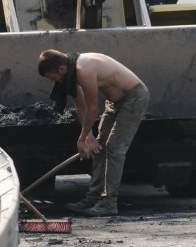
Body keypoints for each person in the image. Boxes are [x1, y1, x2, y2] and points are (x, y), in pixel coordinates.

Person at [38, 49, 150, 217]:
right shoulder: (72, 72)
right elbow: (81, 107)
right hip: (115, 102)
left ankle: (109, 203)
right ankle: (93, 197)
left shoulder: (84, 69)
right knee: (99, 146)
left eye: (54, 78)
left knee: (114, 148)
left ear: (61, 69)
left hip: (134, 97)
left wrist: (81, 139)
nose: (57, 82)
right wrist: (88, 136)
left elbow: (92, 108)